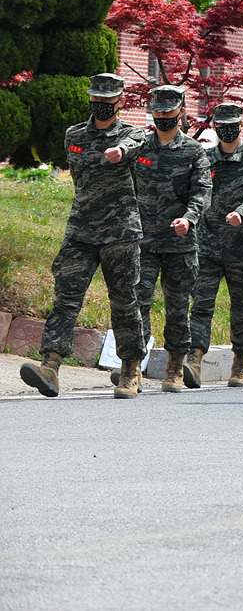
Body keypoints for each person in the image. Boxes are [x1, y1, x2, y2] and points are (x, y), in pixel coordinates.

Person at [20, 74, 146, 398]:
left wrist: (120, 149)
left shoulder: (133, 135)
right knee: (66, 296)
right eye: (96, 100)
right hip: (81, 230)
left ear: (120, 102)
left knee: (123, 301)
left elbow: (137, 143)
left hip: (120, 232)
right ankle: (50, 365)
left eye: (107, 102)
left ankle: (130, 369)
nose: (101, 106)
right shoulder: (73, 135)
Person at [133, 85, 213, 394]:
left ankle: (175, 366)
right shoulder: (140, 147)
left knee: (178, 307)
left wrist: (189, 218)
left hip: (180, 244)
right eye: (158, 112)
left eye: (169, 112)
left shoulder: (194, 151)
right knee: (137, 302)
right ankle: (132, 367)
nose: (163, 117)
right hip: (143, 241)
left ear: (181, 112)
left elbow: (202, 191)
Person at [187, 102, 243, 389]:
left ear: (240, 126)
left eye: (231, 125)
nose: (226, 131)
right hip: (207, 244)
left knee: (241, 308)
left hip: (240, 247)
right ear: (215, 128)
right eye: (220, 126)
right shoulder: (205, 158)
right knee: (201, 304)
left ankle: (240, 362)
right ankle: (194, 359)